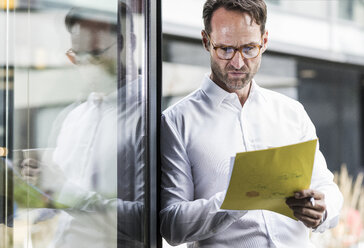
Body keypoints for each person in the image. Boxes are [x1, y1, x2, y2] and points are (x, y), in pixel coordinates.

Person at [160, 0, 343, 247]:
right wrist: (239, 198)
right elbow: (172, 225)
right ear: (206, 41)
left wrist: (323, 209)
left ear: (264, 41)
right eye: (225, 49)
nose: (237, 63)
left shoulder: (291, 112)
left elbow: (326, 187)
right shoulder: (176, 121)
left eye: (249, 48)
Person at [19, 3, 146, 248]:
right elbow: (58, 206)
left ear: (127, 44)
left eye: (96, 53)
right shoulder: (72, 118)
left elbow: (143, 222)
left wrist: (63, 190)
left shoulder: (150, 117)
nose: (87, 66)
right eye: (77, 56)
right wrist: (26, 198)